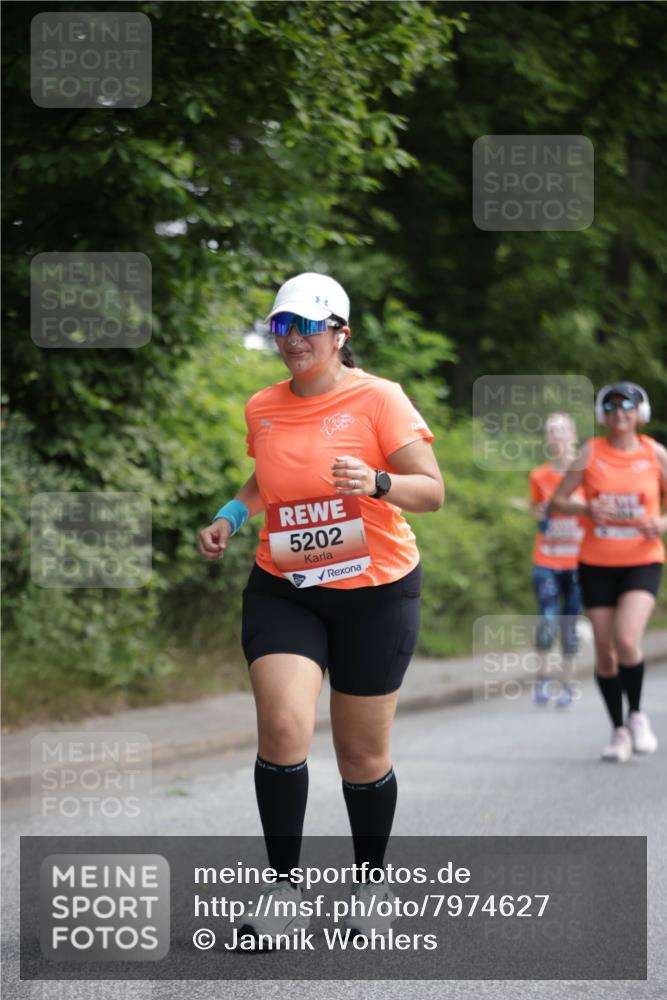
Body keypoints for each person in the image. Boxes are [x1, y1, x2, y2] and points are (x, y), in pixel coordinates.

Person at [197, 272, 444, 937]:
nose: (293, 340)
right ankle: (282, 892)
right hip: (287, 587)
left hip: (377, 592)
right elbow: (266, 475)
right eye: (282, 327)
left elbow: (431, 490)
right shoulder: (263, 405)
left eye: (307, 327)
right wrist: (230, 515)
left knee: (362, 755)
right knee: (282, 727)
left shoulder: (379, 399)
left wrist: (377, 480)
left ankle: (370, 887)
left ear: (339, 333)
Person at [550, 382, 667, 762]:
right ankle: (617, 729)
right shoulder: (590, 452)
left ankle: (636, 715)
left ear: (639, 412)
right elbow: (559, 501)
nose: (620, 413)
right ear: (604, 415)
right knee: (604, 649)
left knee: (627, 639)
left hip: (642, 559)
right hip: (596, 562)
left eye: (628, 406)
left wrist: (662, 523)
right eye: (612, 407)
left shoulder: (655, 454)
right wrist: (586, 510)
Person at [528, 414, 584, 708]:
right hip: (547, 559)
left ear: (573, 435)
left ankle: (568, 684)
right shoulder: (539, 475)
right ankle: (542, 679)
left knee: (569, 624)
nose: (556, 437)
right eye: (550, 432)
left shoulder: (588, 474)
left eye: (561, 431)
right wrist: (540, 516)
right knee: (548, 620)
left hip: (578, 561)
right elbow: (539, 517)